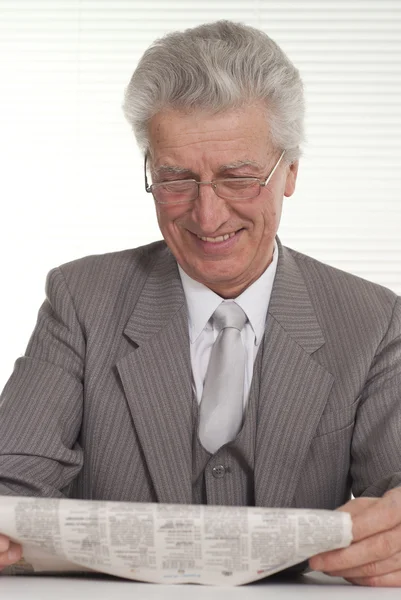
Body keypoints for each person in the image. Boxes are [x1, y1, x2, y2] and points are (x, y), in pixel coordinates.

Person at [0, 20, 400, 587]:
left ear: (290, 171)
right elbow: (10, 483)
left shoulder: (372, 319)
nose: (206, 216)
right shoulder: (81, 300)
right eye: (176, 179)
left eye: (238, 178)